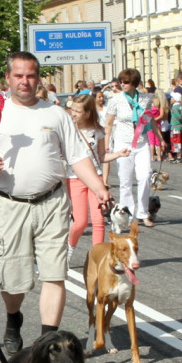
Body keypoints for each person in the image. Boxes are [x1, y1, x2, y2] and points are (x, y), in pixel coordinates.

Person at [0, 51, 110, 355]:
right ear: (8, 78)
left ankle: (48, 342)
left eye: (30, 75)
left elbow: (78, 157)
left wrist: (99, 187)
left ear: (37, 78)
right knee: (12, 281)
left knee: (54, 273)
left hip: (52, 203)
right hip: (9, 205)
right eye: (18, 76)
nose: (25, 81)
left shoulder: (55, 114)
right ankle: (13, 318)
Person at [101, 69, 156, 226]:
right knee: (125, 181)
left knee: (145, 176)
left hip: (141, 142)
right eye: (121, 82)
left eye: (126, 82)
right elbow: (108, 124)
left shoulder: (146, 98)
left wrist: (159, 138)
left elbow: (150, 119)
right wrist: (106, 144)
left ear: (135, 83)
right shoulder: (116, 100)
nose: (122, 84)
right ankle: (127, 215)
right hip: (123, 143)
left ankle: (143, 213)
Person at [66, 91, 106, 260]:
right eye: (72, 109)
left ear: (88, 113)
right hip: (74, 177)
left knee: (99, 221)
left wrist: (119, 154)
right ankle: (69, 248)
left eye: (78, 111)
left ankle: (97, 258)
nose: (73, 113)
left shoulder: (98, 131)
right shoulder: (68, 129)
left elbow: (102, 156)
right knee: (80, 222)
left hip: (95, 178)